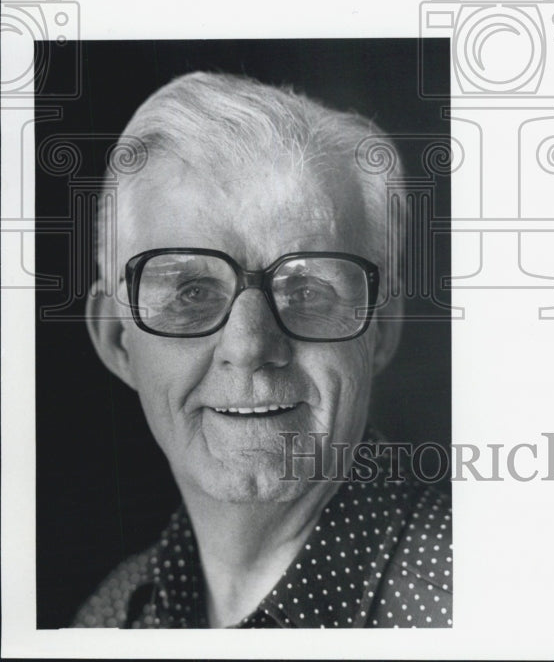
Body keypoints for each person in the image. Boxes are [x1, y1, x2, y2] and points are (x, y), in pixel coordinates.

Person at [73, 71, 452, 629]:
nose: (250, 346)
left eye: (307, 290)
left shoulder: (498, 604)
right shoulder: (108, 617)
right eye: (192, 292)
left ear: (382, 329)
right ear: (116, 340)